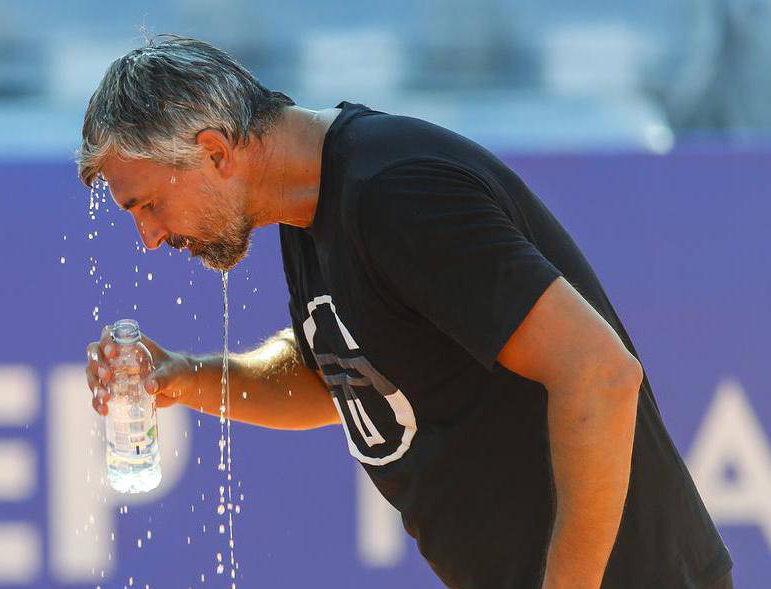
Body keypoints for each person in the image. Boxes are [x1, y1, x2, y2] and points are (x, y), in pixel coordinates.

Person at [77, 35, 733, 589]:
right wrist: (177, 375)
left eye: (146, 205)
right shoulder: (312, 208)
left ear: (215, 152)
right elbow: (338, 377)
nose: (150, 237)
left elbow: (598, 373)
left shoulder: (394, 193)